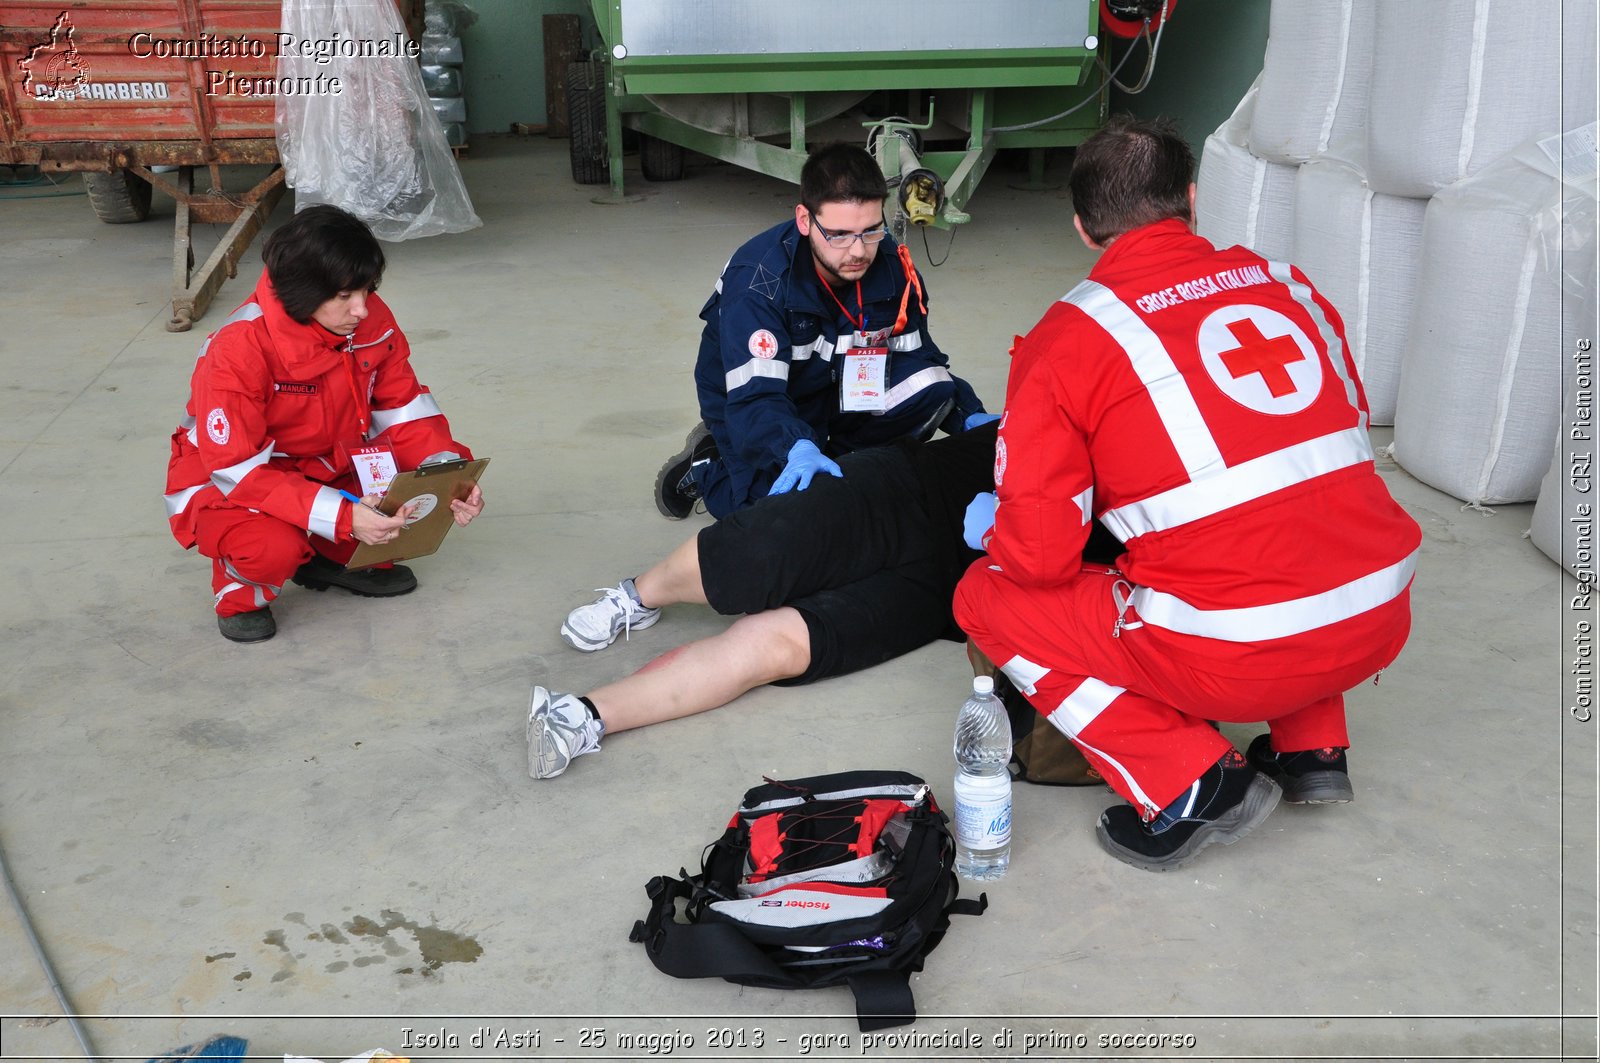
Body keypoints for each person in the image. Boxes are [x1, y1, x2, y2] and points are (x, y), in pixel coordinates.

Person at [954, 116, 1422, 872]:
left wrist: (1001, 528)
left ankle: (1187, 784)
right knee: (1292, 519)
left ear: (1081, 227)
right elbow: (1328, 451)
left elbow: (1040, 557)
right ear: (1192, 200)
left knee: (987, 596)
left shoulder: (1068, 338)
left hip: (1238, 652)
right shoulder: (1292, 287)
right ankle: (1312, 749)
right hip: (1377, 608)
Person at [530, 424, 1007, 779]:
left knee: (781, 650)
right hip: (913, 486)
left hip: (953, 584)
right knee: (750, 558)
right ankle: (639, 595)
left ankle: (579, 716)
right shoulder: (1064, 411)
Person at [163, 205, 485, 643]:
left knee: (397, 514)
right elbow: (237, 470)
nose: (363, 309)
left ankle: (324, 558)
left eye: (368, 289)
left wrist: (446, 472)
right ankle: (240, 590)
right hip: (230, 483)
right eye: (345, 296)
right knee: (270, 548)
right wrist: (344, 515)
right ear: (302, 292)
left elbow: (404, 409)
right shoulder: (237, 350)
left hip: (328, 463)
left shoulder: (369, 319)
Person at [654, 142, 992, 521]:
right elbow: (755, 398)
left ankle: (839, 466)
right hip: (752, 400)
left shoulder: (891, 265)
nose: (858, 251)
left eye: (871, 231)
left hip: (838, 383)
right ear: (804, 220)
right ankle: (708, 464)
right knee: (777, 517)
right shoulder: (759, 284)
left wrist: (968, 416)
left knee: (931, 389)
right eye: (840, 234)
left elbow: (918, 358)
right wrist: (795, 447)